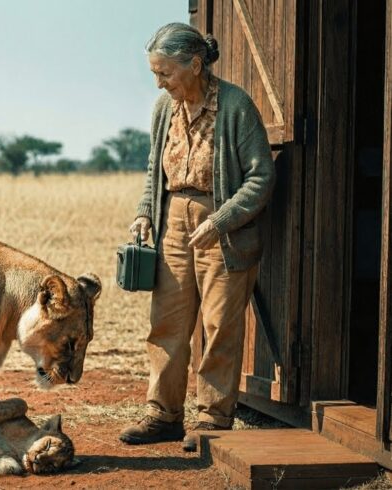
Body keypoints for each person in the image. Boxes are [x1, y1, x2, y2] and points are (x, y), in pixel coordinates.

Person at [119, 22, 276, 452]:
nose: (159, 82)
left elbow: (261, 177)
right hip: (173, 221)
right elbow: (156, 168)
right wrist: (145, 214)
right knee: (167, 323)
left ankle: (213, 417)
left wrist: (222, 220)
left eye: (165, 73)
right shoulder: (163, 109)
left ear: (194, 63)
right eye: (155, 73)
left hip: (222, 228)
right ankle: (163, 415)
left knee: (219, 323)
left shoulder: (235, 106)